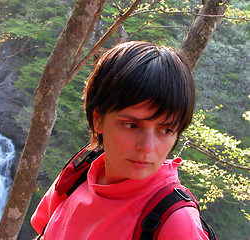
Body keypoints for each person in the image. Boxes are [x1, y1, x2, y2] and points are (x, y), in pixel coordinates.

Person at [31, 41, 208, 239]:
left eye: (166, 130)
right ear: (98, 120)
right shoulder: (82, 170)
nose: (147, 148)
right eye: (132, 125)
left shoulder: (175, 223)